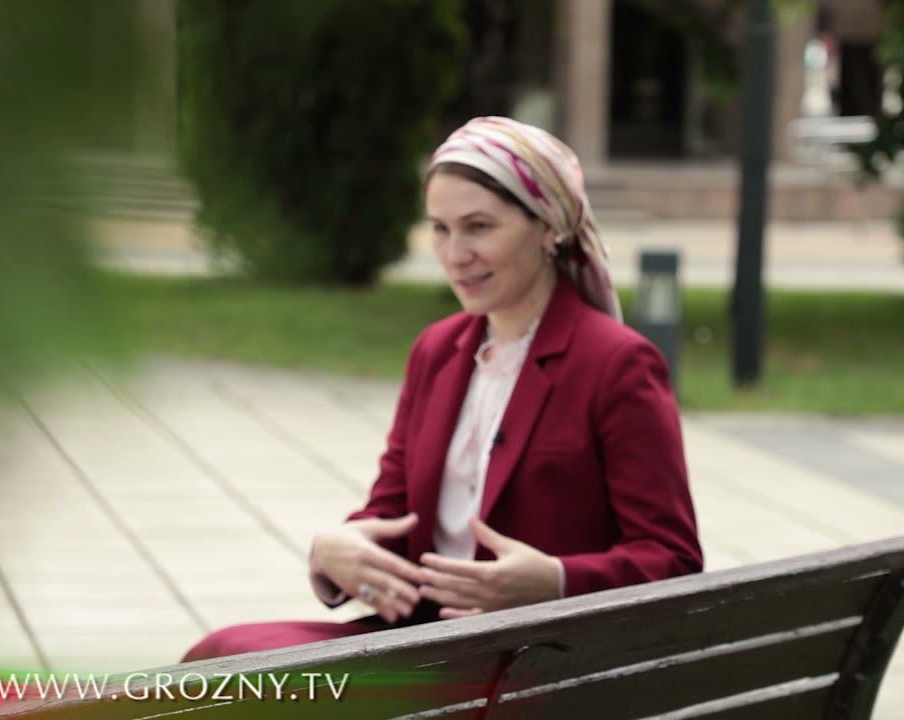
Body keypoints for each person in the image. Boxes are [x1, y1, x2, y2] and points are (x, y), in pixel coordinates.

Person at [182, 117, 703, 661]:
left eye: (478, 227)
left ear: (548, 227)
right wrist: (337, 552)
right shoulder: (436, 351)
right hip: (426, 642)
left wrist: (555, 582)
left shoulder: (616, 363)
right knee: (218, 657)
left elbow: (673, 559)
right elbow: (391, 512)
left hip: (540, 660)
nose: (455, 254)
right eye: (440, 228)